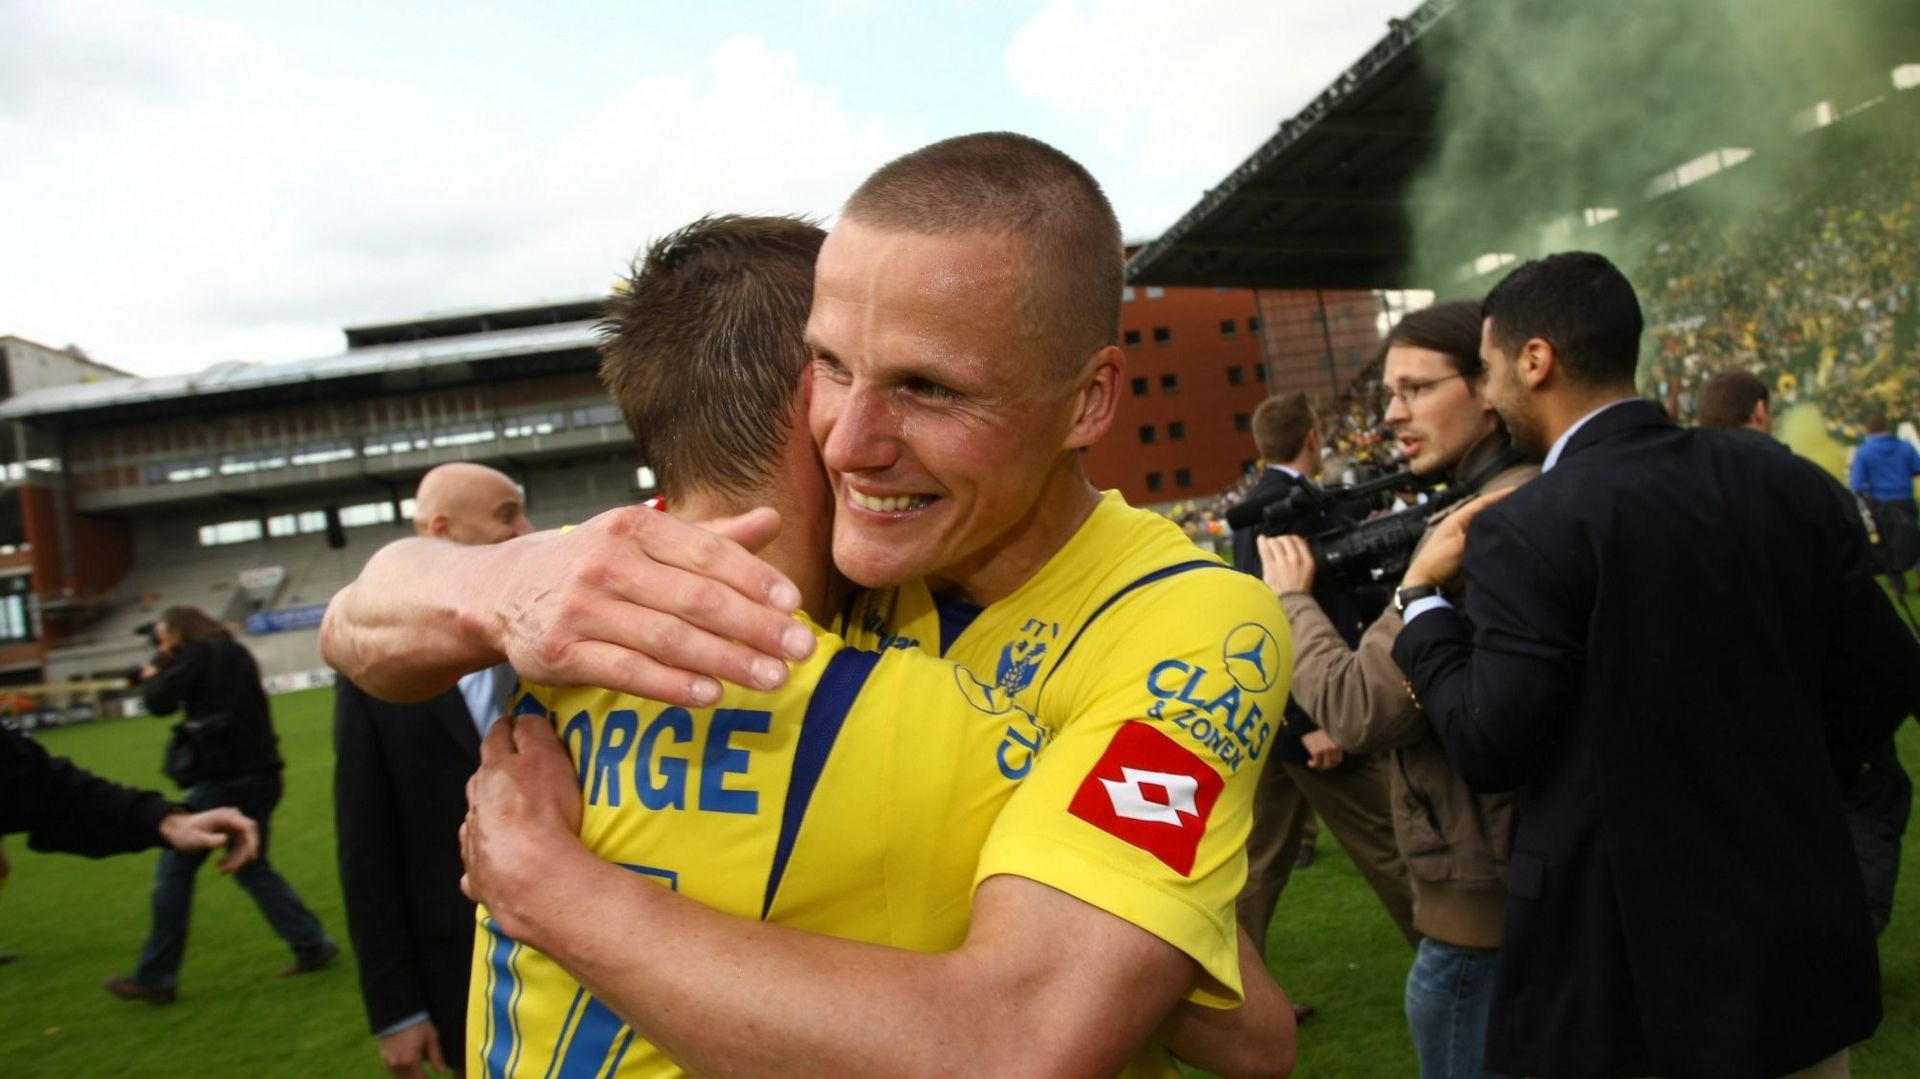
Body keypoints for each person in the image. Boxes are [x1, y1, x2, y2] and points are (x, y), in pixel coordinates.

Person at [325, 136, 1299, 1077]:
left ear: (1088, 401)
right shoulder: (752, 558)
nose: (850, 440)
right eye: (835, 366)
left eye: (928, 386)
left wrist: (549, 886)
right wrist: (495, 583)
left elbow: (1053, 1039)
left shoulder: (1185, 624)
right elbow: (358, 620)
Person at [1391, 252, 1920, 1078]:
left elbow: (1492, 741)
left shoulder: (1530, 527)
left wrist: (1421, 600)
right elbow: (1885, 676)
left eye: (1490, 371)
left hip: (1630, 979)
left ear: (1537, 360)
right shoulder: (1786, 480)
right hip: (1797, 954)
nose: (1489, 396)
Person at [1256, 301, 1534, 1079]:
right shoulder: (1515, 493)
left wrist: (1292, 599)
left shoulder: (1483, 521)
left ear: (1491, 385)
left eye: (1414, 389)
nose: (1392, 415)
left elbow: (1356, 706)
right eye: (1388, 394)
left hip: (1483, 900)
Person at [1696, 373, 1915, 938]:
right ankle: (1847, 942)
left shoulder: (1673, 483)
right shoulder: (1807, 482)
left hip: (1723, 701)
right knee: (1869, 803)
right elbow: (1864, 619)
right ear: (1762, 411)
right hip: (1821, 694)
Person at [335, 463, 533, 1078]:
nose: (528, 529)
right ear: (442, 530)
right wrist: (396, 1009)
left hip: (596, 954)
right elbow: (367, 846)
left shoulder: (557, 642)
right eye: (506, 514)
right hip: (456, 963)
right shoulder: (371, 673)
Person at [1228, 392, 1417, 961]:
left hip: (1285, 717)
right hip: (1311, 719)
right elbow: (1264, 620)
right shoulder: (1276, 509)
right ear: (1313, 436)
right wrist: (1307, 720)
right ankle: (1465, 968)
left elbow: (1327, 599)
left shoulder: (1283, 500)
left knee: (1259, 866)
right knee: (1393, 844)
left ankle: (1231, 996)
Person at [105, 605, 338, 1005]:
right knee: (251, 865)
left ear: (178, 631)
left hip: (222, 781)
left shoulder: (198, 655)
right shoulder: (232, 651)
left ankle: (157, 977)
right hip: (262, 774)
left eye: (163, 635)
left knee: (175, 870)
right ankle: (311, 943)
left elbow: (160, 701)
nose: (161, 643)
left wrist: (151, 673)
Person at [1849, 410, 1920, 580]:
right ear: (1888, 427)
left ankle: (1898, 583)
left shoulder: (1864, 452)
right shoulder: (1905, 447)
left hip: (1880, 503)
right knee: (1913, 537)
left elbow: (1856, 484)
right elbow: (1917, 467)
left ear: (1868, 429)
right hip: (1905, 499)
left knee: (1887, 543)